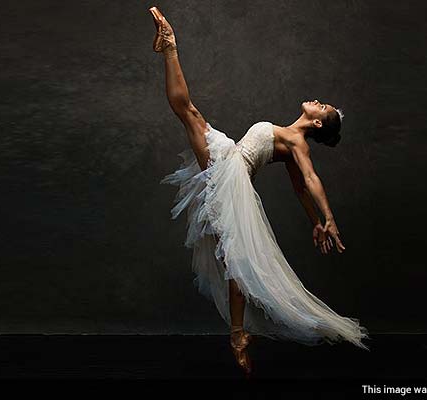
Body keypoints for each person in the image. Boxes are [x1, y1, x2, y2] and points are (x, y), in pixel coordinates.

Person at [149, 6, 369, 376]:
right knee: (236, 260)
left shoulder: (298, 142)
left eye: (323, 107)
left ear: (316, 122)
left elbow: (311, 179)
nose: (318, 100)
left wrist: (327, 218)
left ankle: (170, 45)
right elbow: (300, 188)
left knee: (188, 111)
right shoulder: (287, 137)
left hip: (233, 168)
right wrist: (314, 220)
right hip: (233, 162)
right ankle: (238, 336)